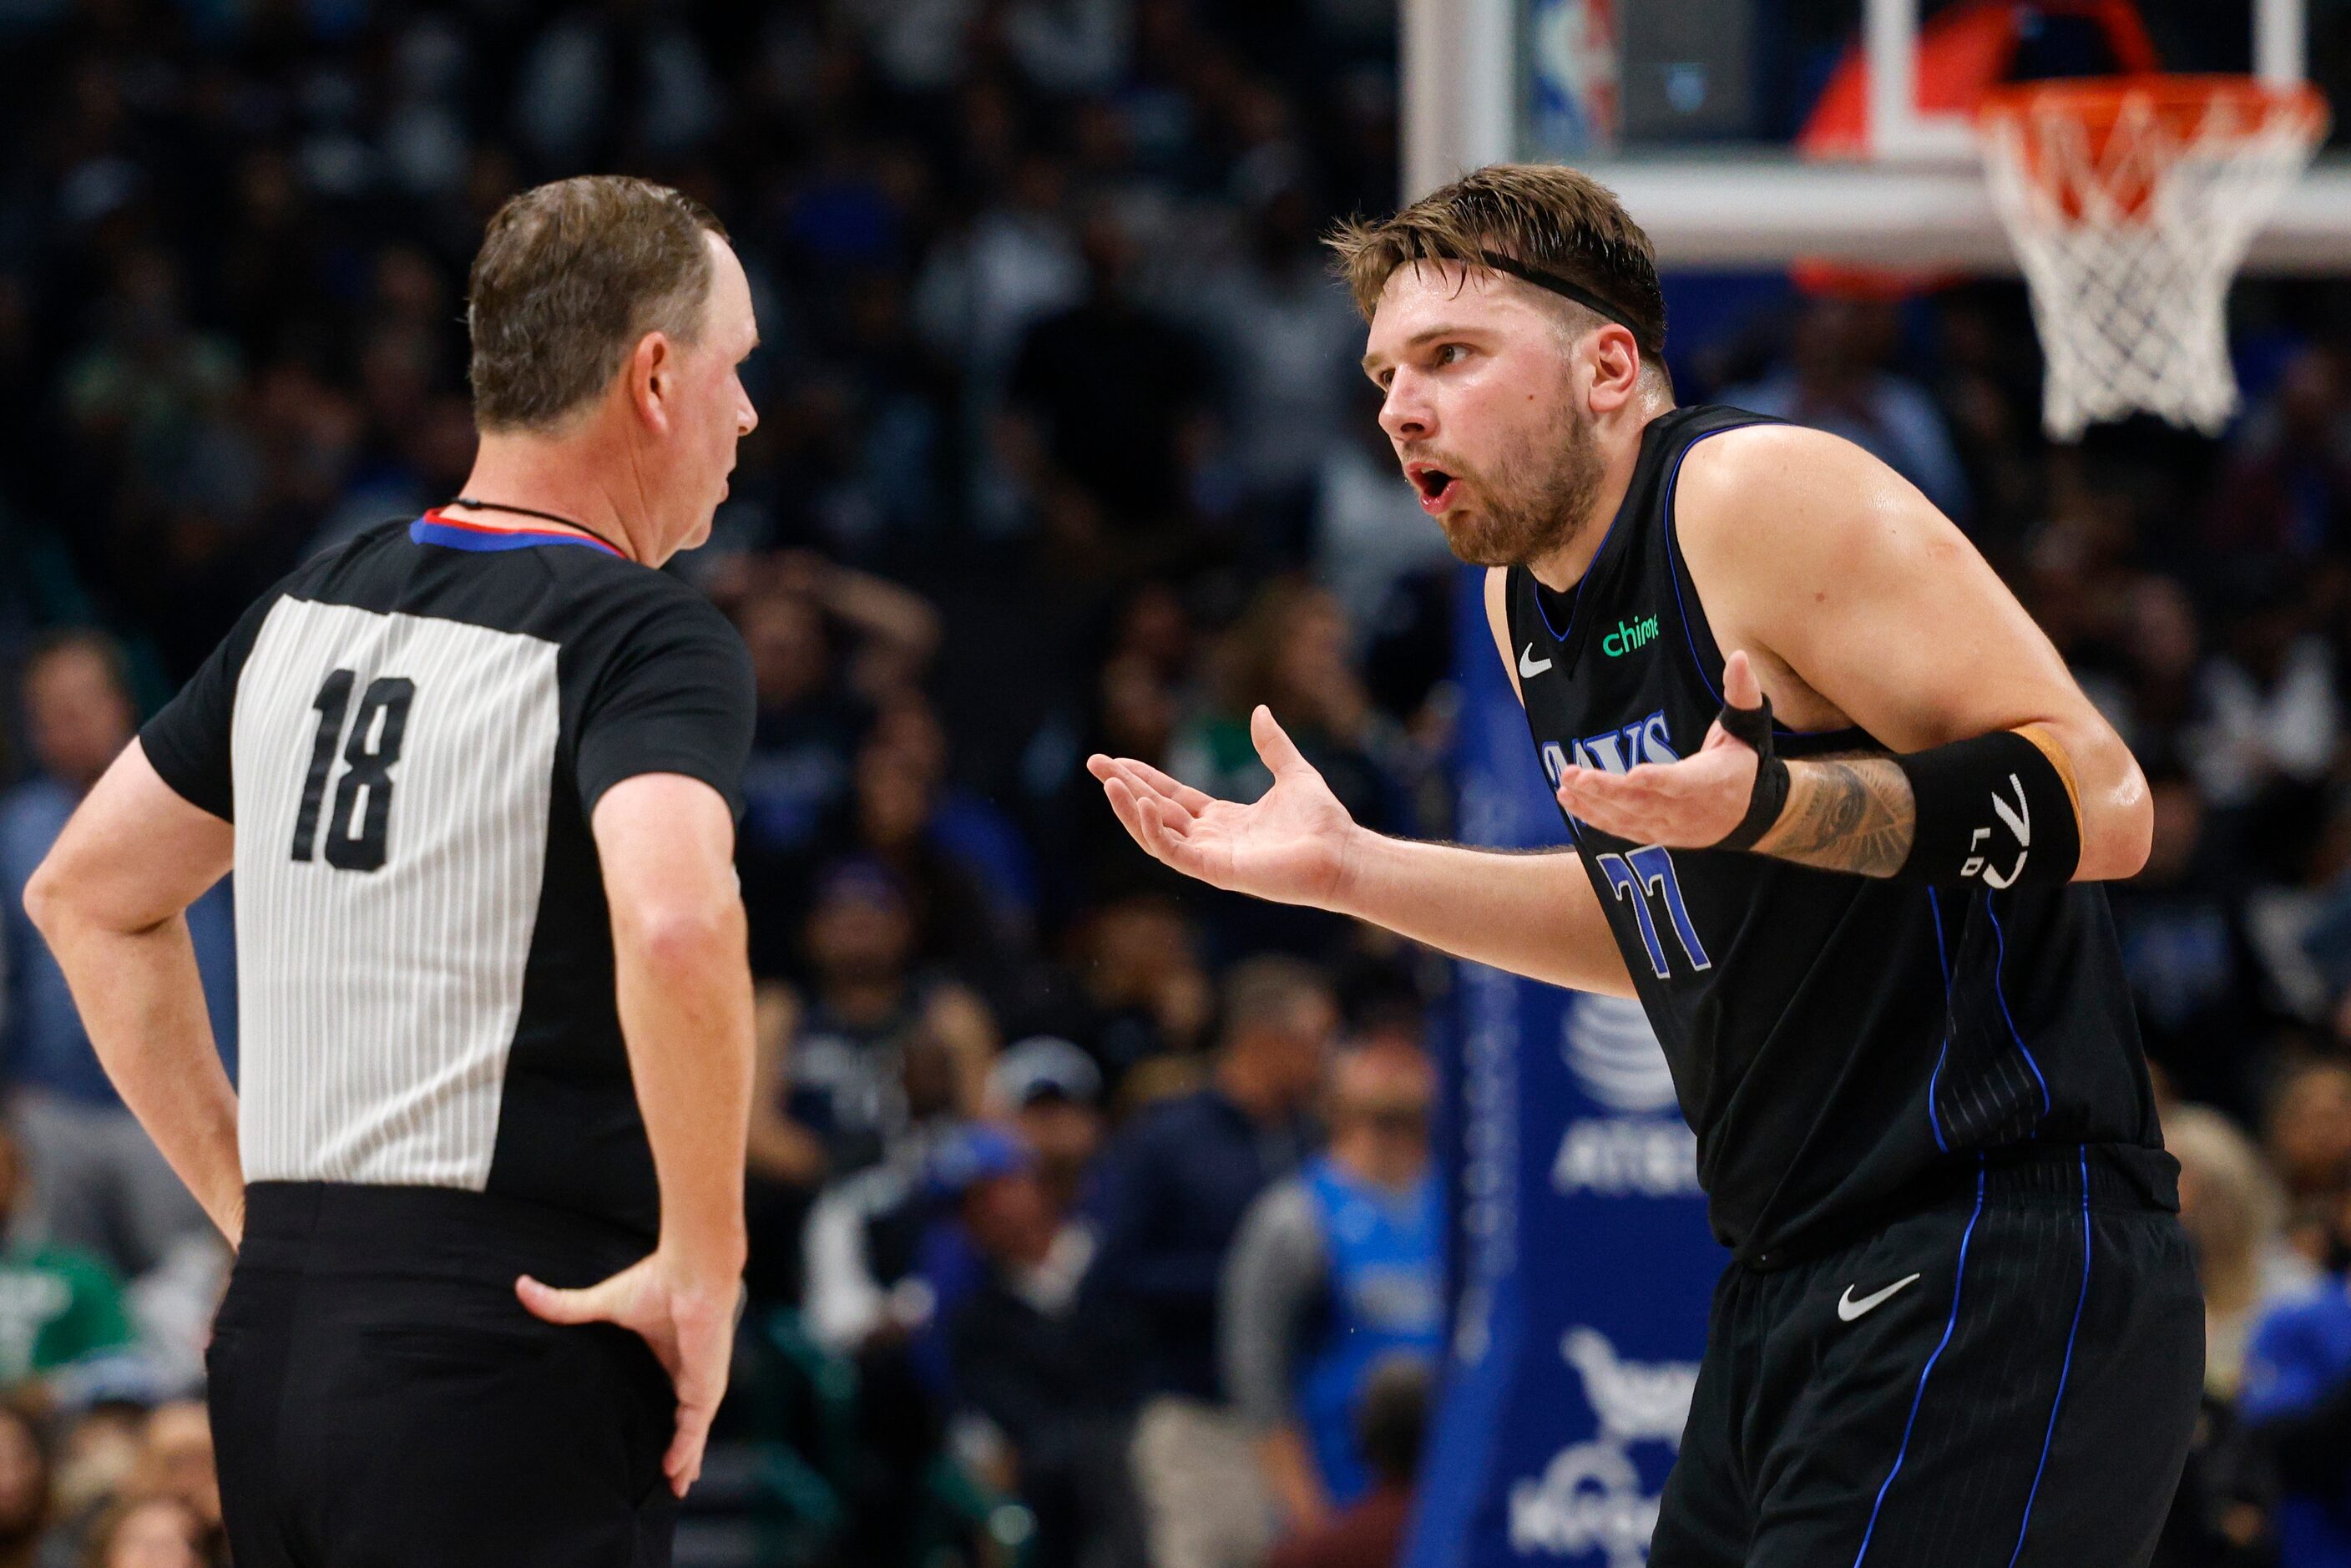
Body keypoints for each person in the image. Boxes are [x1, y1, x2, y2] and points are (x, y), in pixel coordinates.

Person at [1089, 164, 2201, 1568]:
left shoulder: (1753, 494)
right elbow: (1652, 918)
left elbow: (2105, 802)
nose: (1400, 408)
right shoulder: (1521, 606)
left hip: (1995, 1239)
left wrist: (1774, 806)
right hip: (1792, 1276)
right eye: (1382, 374)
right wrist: (1354, 871)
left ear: (1608, 366)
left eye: (1450, 356)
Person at [24, 175, 762, 1566]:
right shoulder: (645, 635)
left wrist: (257, 1205)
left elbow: (88, 894)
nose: (749, 416)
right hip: (510, 1349)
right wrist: (706, 1262)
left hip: (279, 1348)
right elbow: (675, 925)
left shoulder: (306, 605)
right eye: (738, 368)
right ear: (655, 376)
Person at [1085, 956, 1332, 1568]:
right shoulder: (1169, 1138)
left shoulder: (1313, 1140)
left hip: (1305, 1423)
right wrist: (1243, 1283)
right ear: (1262, 1041)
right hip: (1202, 1418)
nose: (1325, 1060)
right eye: (1313, 1042)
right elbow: (1111, 1277)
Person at [0, 633, 230, 1280]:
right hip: (56, 1109)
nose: (70, 724)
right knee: (63, 1280)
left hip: (176, 1101)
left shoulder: (196, 801)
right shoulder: (17, 827)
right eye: (51, 711)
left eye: (84, 703)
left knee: (184, 1280)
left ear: (121, 702)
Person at [1221, 1037, 1439, 1532]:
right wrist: (1308, 1518)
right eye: (1372, 1051)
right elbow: (1257, 1380)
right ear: (1333, 1097)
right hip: (1342, 1498)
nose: (1391, 1066)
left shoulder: (1468, 1209)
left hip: (1447, 1496)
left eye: (1406, 1052)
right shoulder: (1295, 1217)